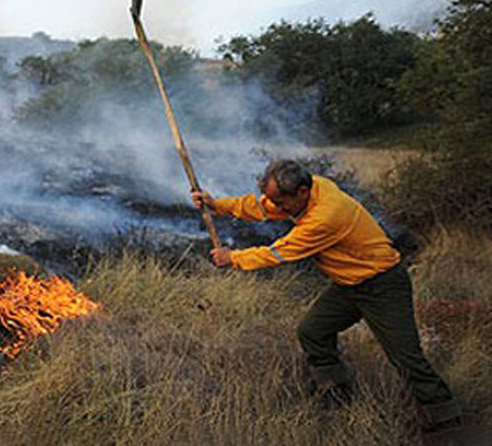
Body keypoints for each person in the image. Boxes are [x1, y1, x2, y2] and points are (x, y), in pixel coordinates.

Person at [191, 158, 461, 433]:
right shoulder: (313, 187)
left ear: (301, 193)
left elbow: (278, 252)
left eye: (283, 203)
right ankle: (336, 392)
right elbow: (264, 206)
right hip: (349, 284)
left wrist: (232, 258)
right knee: (313, 331)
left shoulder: (325, 216)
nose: (278, 209)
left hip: (382, 285)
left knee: (405, 356)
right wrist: (217, 205)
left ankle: (444, 418)